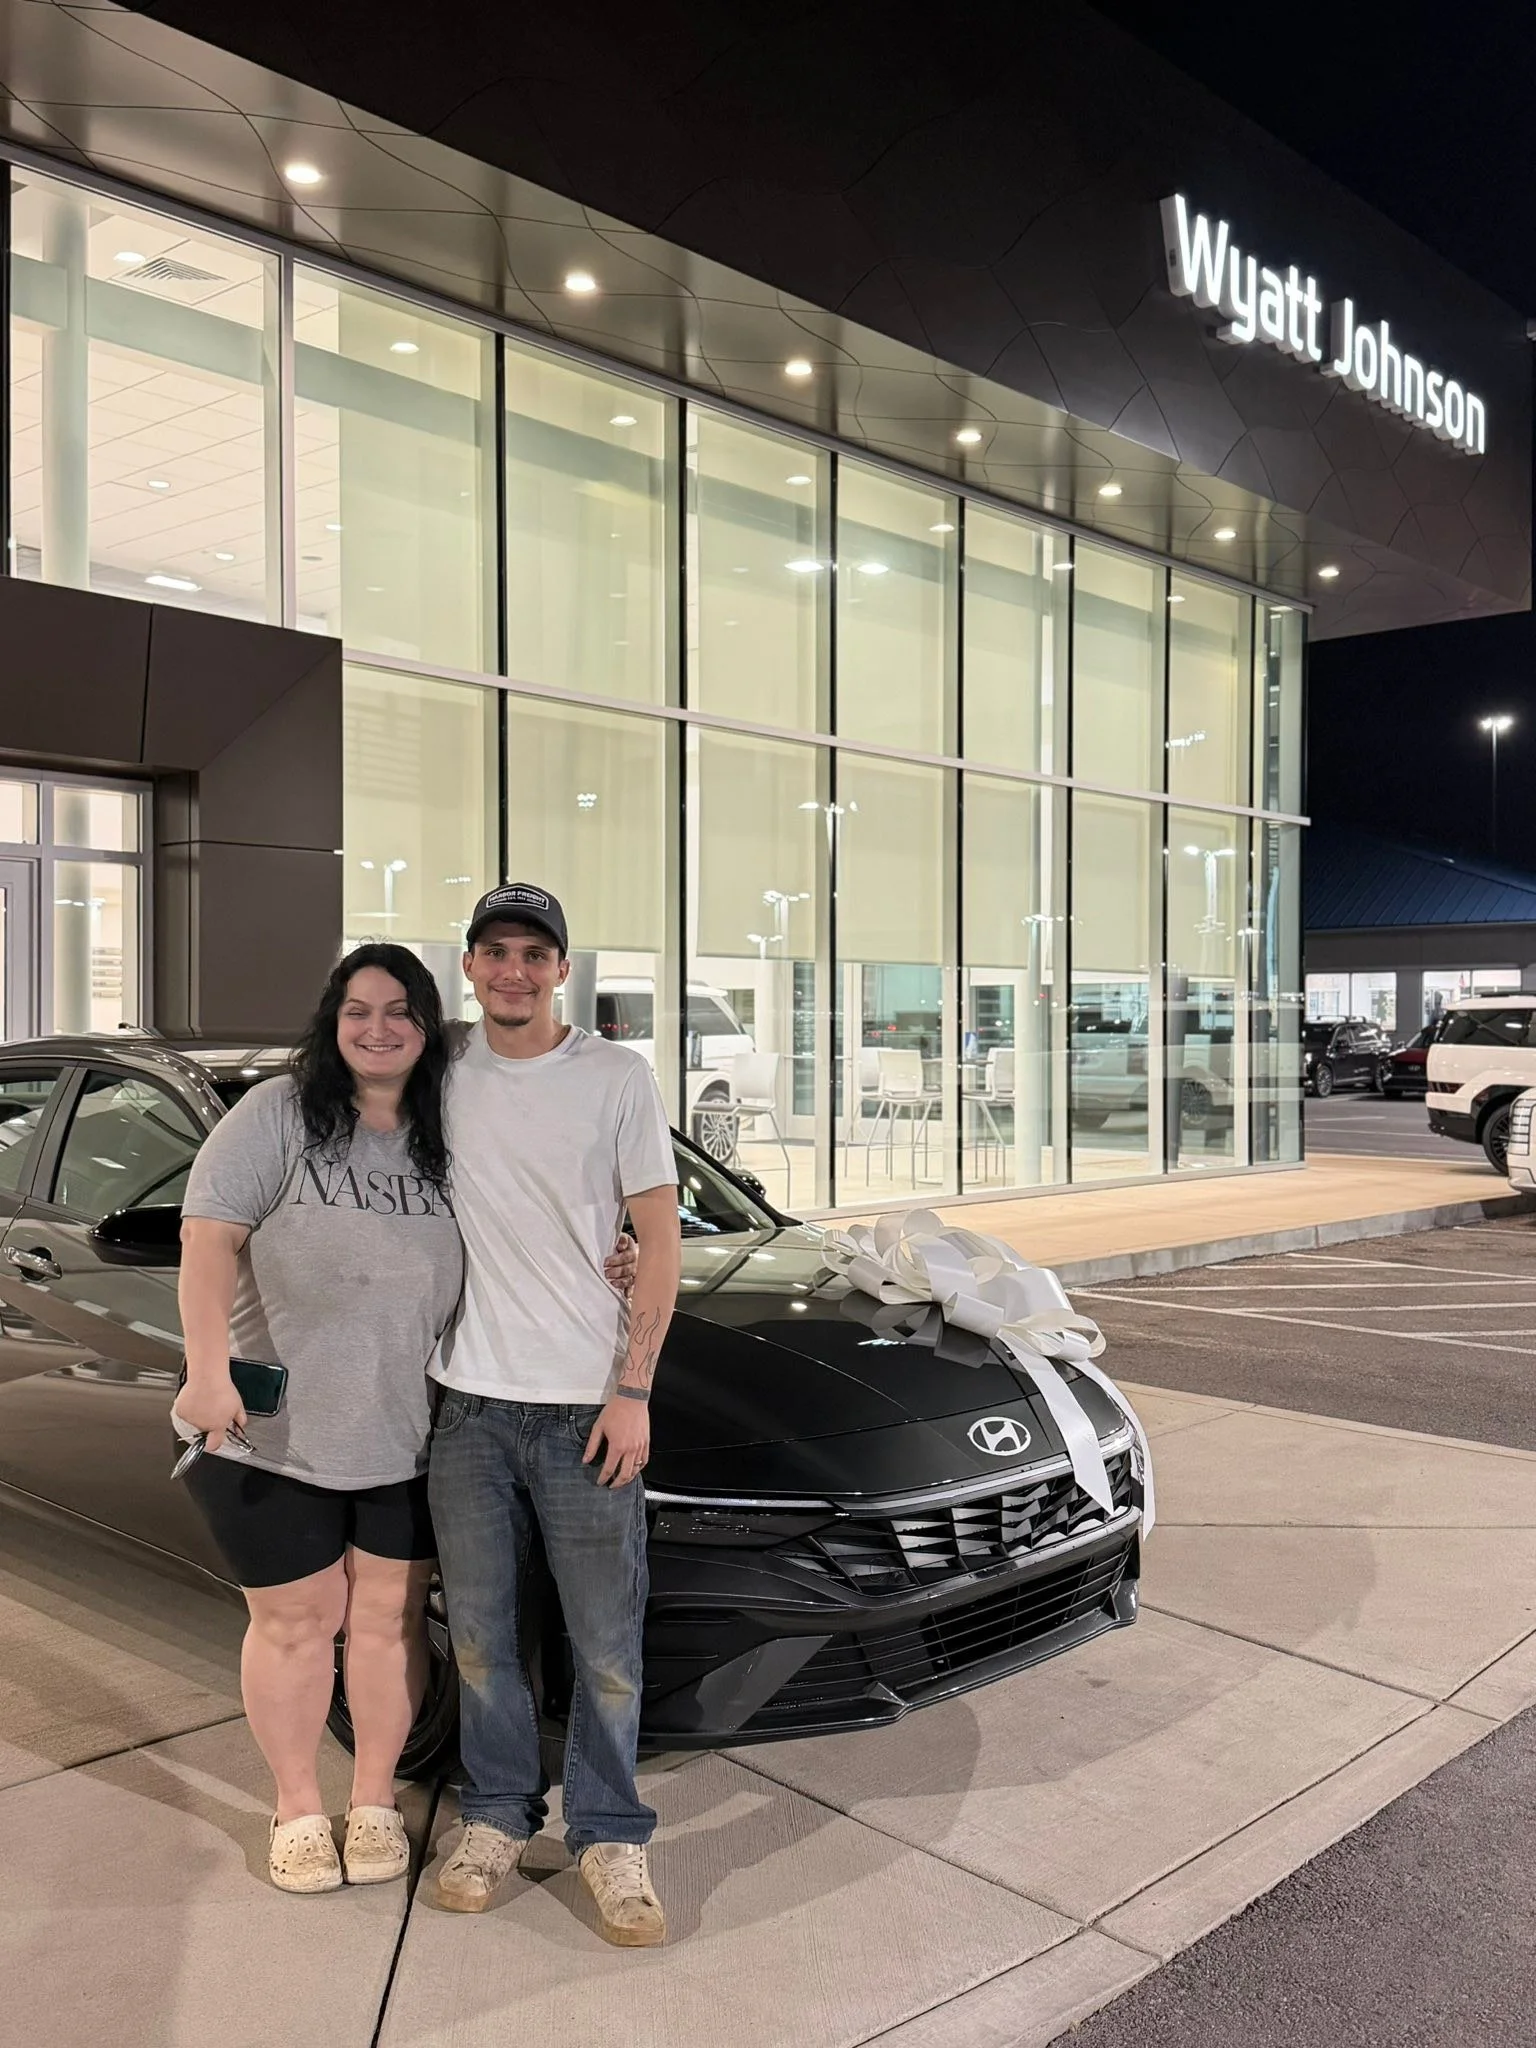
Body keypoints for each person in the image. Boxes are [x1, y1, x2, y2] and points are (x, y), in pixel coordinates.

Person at [172, 940, 638, 1895]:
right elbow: (206, 1242)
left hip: (409, 1430)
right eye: (358, 1011)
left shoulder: (446, 1131)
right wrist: (206, 1369)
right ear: (331, 1023)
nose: (378, 1029)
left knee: (385, 1625)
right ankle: (299, 1806)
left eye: (400, 1013)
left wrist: (614, 1247)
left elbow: (534, 1213)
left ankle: (375, 1796)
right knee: (299, 1624)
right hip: (280, 1433)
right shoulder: (277, 1116)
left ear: (429, 1030)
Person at [428, 883, 682, 1946]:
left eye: (535, 953)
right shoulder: (440, 1070)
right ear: (471, 965)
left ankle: (610, 1831)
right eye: (496, 951)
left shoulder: (617, 1074)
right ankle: (493, 1815)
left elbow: (657, 1238)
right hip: (469, 1406)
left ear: (561, 968)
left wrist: (634, 1389)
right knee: (484, 1640)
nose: (514, 970)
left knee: (605, 1643)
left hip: (585, 1405)